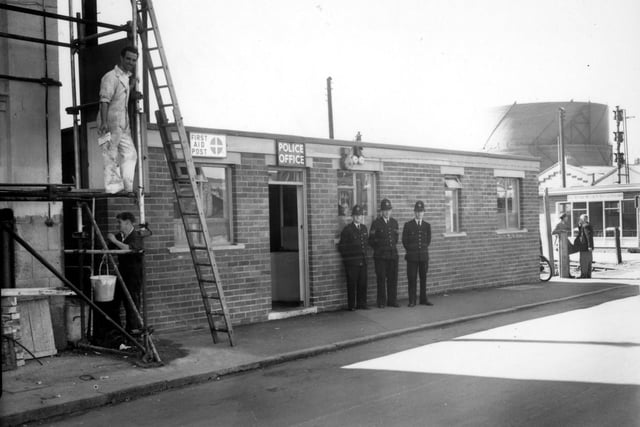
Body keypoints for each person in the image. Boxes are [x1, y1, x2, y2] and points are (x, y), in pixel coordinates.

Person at [97, 46, 139, 194]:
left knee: (131, 153)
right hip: (108, 122)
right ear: (121, 58)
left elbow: (123, 94)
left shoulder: (126, 78)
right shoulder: (110, 77)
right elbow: (104, 100)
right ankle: (113, 188)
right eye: (128, 58)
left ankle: (127, 186)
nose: (130, 62)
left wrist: (132, 85)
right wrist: (103, 122)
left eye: (134, 60)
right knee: (109, 154)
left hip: (123, 124)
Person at [105, 211, 144, 336]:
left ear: (127, 223)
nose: (118, 225)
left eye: (120, 222)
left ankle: (133, 331)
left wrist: (114, 241)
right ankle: (118, 331)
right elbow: (108, 246)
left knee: (131, 302)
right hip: (122, 273)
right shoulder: (120, 236)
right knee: (114, 300)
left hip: (133, 275)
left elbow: (129, 248)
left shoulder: (136, 236)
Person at [368, 198, 399, 308]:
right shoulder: (376, 223)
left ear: (391, 211)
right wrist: (380, 248)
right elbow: (371, 240)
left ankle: (392, 301)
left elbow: (396, 239)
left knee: (392, 279)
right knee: (381, 279)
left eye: (389, 210)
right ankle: (381, 302)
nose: (387, 212)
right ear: (381, 211)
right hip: (380, 256)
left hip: (392, 255)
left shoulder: (394, 222)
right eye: (385, 210)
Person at [338, 205, 369, 310]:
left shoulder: (364, 228)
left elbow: (366, 244)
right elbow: (342, 247)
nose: (358, 217)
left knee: (362, 284)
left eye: (360, 215)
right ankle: (351, 305)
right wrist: (349, 260)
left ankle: (362, 304)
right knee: (352, 285)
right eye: (356, 215)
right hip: (352, 263)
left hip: (363, 261)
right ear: (352, 216)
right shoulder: (347, 229)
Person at [402, 200, 433, 307]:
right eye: (417, 211)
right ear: (414, 212)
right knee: (412, 278)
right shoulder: (408, 225)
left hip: (423, 257)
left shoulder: (427, 226)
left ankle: (423, 299)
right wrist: (412, 251)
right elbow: (404, 241)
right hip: (412, 257)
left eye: (421, 211)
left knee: (423, 278)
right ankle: (412, 300)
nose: (419, 213)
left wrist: (421, 250)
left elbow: (428, 241)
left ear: (424, 212)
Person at [575, 213, 594, 278]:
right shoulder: (587, 225)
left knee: (583, 262)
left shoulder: (585, 226)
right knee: (588, 261)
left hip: (584, 247)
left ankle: (583, 275)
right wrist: (590, 246)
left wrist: (589, 246)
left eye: (580, 219)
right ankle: (588, 275)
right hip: (588, 247)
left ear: (583, 219)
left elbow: (588, 236)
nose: (579, 220)